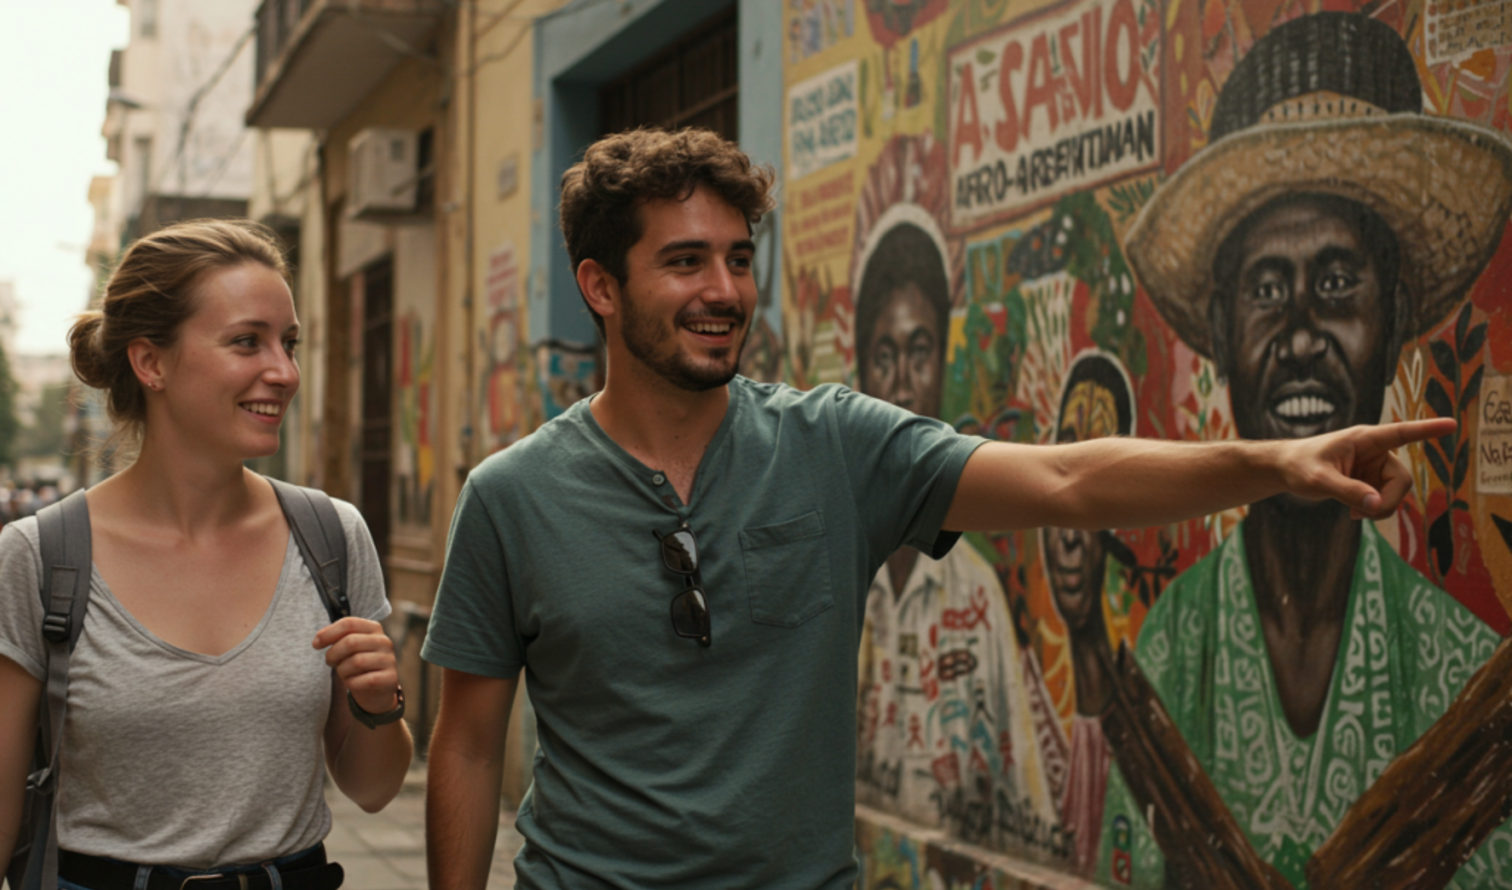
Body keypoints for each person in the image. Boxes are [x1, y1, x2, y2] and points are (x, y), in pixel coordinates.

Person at [420, 126, 1450, 890]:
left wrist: (1279, 461)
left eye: (738, 257)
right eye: (685, 261)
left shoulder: (835, 445)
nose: (725, 290)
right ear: (601, 286)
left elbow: (1067, 481)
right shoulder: (511, 498)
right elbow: (465, 743)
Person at [1102, 12, 1512, 888]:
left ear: (1394, 322)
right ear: (1221, 335)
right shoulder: (1170, 653)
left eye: (1335, 282)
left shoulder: (1459, 673)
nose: (1297, 336)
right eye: (1265, 288)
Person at [0, 219, 413, 890]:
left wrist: (380, 702)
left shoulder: (332, 538)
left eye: (289, 343)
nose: (284, 372)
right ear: (150, 363)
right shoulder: (40, 557)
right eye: (247, 341)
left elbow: (373, 788)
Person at [852, 218, 1066, 860]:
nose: (902, 383)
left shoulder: (977, 596)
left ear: (942, 366)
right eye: (884, 356)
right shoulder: (832, 574)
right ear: (860, 374)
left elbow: (1030, 812)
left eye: (920, 352)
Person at [1041, 350, 1132, 874]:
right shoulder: (1031, 696)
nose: (1071, 538)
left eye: (1098, 487)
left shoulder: (1142, 709)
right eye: (1062, 477)